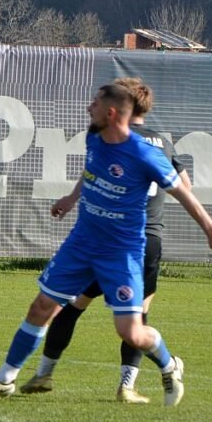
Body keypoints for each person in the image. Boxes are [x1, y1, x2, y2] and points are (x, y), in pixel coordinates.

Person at [0, 83, 212, 406]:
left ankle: (169, 365)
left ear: (111, 113)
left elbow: (183, 192)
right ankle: (5, 378)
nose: (88, 107)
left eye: (94, 103)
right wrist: (71, 198)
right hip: (81, 243)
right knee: (41, 307)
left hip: (121, 252)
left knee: (131, 332)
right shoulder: (94, 138)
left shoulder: (144, 154)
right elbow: (93, 169)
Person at [21, 77, 191, 403]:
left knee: (72, 307)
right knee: (137, 317)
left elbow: (97, 172)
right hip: (147, 240)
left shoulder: (115, 137)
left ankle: (45, 373)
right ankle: (127, 385)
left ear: (121, 105)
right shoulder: (163, 143)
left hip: (113, 238)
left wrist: (75, 198)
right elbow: (185, 185)